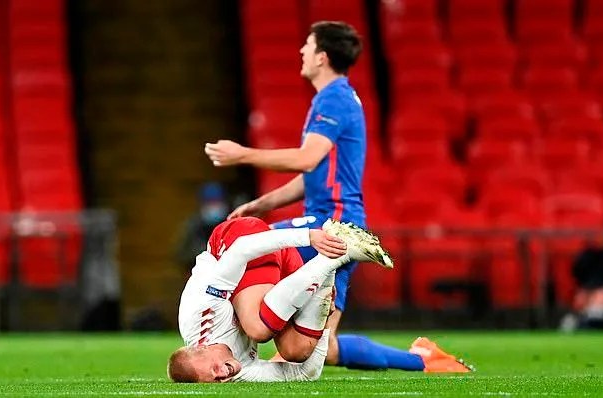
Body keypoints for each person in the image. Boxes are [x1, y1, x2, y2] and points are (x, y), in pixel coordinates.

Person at [204, 21, 446, 371]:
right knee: (321, 348)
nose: (301, 52)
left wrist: (240, 154)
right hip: (336, 219)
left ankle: (231, 335)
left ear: (321, 57)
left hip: (333, 223)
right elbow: (313, 175)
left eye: (307, 45)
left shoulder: (333, 99)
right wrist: (261, 204)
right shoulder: (335, 97)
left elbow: (307, 158)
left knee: (254, 246)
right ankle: (423, 360)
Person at [168, 217, 471, 383]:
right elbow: (304, 372)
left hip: (238, 240)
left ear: (199, 348)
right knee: (297, 351)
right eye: (216, 382)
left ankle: (334, 253)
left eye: (214, 372)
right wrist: (322, 311)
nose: (224, 375)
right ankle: (332, 263)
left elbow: (241, 250)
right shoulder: (234, 375)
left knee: (259, 329)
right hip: (280, 265)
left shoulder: (200, 315)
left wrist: (308, 236)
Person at [560, 216, 603, 331]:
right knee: (593, 297)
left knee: (602, 297)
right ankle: (583, 320)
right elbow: (584, 277)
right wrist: (588, 292)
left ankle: (589, 320)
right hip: (600, 298)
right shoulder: (596, 257)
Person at [174, 182, 230, 271]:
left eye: (217, 202)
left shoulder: (231, 223)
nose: (213, 207)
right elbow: (181, 255)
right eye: (210, 203)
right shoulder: (193, 225)